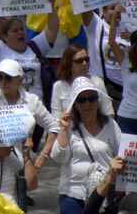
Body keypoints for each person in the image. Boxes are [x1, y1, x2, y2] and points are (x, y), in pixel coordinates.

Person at [51, 78, 122, 214]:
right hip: (73, 194)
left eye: (92, 98)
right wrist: (63, 130)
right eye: (81, 100)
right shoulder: (69, 126)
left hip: (105, 194)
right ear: (75, 104)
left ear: (98, 100)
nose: (87, 103)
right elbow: (59, 158)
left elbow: (122, 156)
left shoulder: (111, 125)